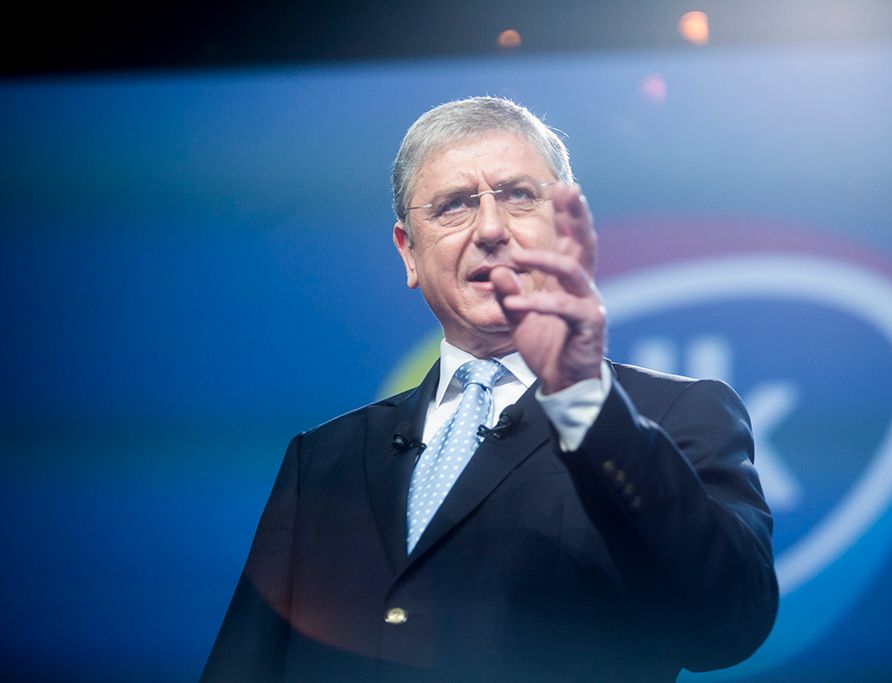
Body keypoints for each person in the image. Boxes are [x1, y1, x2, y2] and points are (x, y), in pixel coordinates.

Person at [201, 96, 778, 683]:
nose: (492, 229)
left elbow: (727, 624)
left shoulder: (677, 413)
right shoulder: (322, 459)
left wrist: (585, 402)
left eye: (519, 195)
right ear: (408, 251)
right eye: (453, 205)